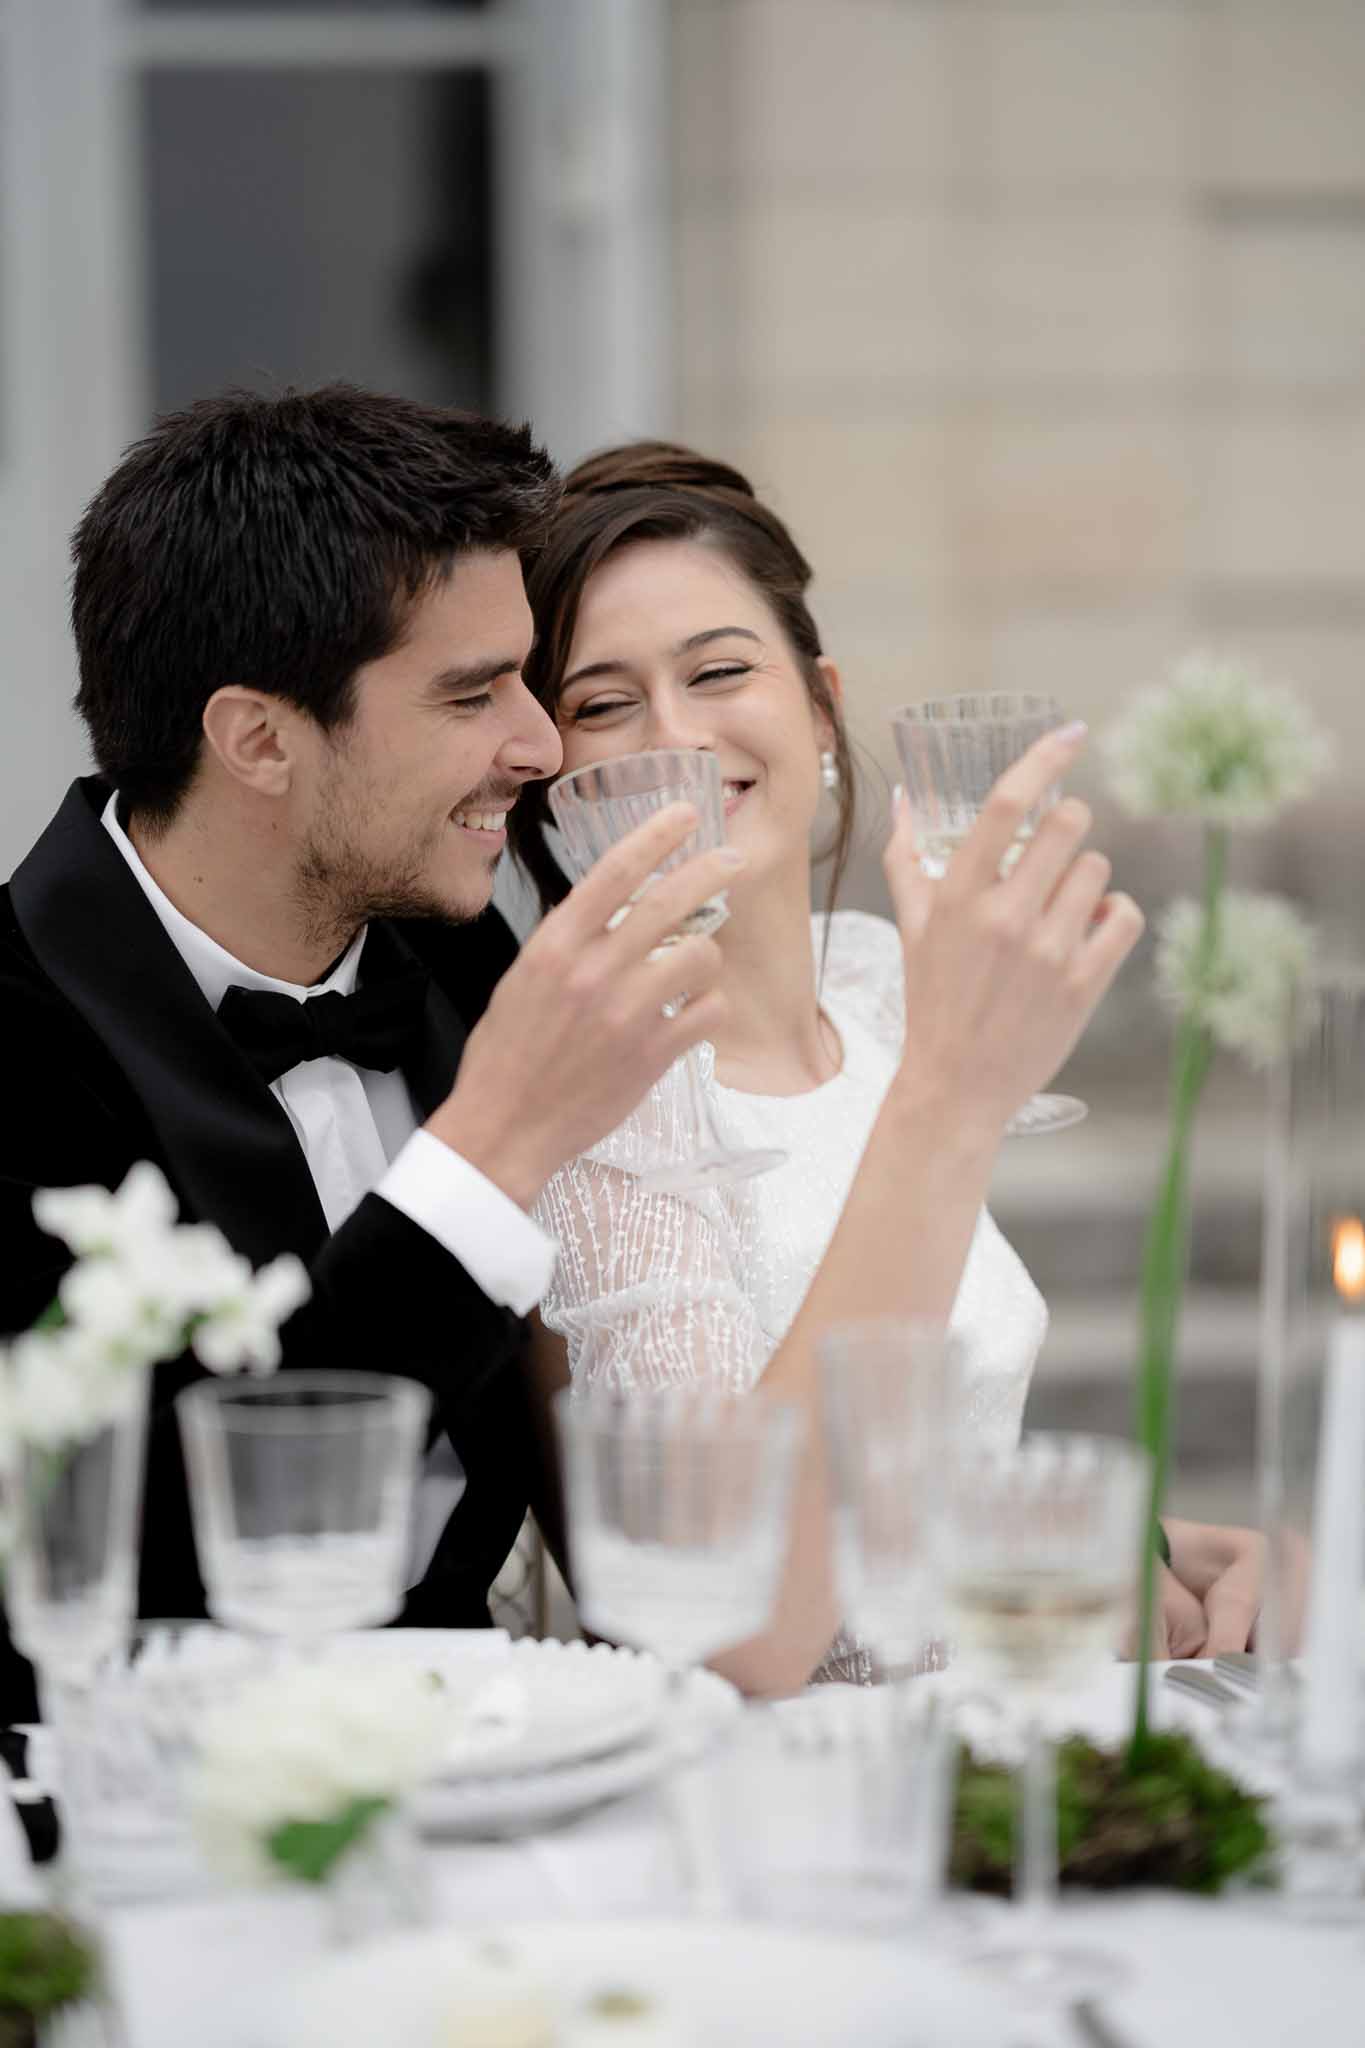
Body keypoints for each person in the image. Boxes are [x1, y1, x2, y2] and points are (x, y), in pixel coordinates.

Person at [0, 389, 740, 1721]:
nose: (542, 743)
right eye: (472, 693)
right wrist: (492, 1148)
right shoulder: (9, 1028)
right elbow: (143, 1554)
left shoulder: (461, 963)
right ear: (260, 739)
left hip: (507, 1755)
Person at [510, 441, 1267, 1690]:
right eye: (603, 702)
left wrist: (1149, 1546)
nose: (680, 735)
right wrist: (955, 1099)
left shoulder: (869, 986)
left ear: (819, 704)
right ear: (554, 785)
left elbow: (935, 1451)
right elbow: (733, 1624)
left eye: (719, 671)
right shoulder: (603, 1110)